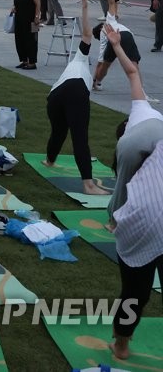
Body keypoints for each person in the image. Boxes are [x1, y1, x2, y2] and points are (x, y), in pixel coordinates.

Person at [43, 0, 110, 196]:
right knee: (80, 138)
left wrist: (84, 5)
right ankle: (89, 185)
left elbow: (86, 35)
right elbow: (88, 33)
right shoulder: (83, 63)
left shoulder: (78, 59)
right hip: (75, 91)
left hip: (54, 96)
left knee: (59, 131)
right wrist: (84, 6)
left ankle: (50, 160)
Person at [109, 124, 163, 360]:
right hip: (144, 223)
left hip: (143, 223)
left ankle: (121, 344)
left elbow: (118, 205)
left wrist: (115, 221)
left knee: (135, 292)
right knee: (136, 292)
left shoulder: (135, 150)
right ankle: (121, 342)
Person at [106, 23, 163, 228]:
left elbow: (131, 73)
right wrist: (117, 46)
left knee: (124, 183)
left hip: (141, 138)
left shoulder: (130, 134)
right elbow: (132, 72)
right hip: (160, 135)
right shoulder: (141, 107)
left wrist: (115, 46)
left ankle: (113, 222)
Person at [92, 0, 138, 91]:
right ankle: (141, 92)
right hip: (128, 35)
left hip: (122, 37)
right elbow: (112, 3)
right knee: (134, 66)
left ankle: (97, 83)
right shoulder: (109, 20)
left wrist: (93, 79)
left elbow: (100, 64)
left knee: (105, 66)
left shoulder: (104, 35)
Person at [11, 0, 40, 69]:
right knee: (19, 40)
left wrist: (37, 16)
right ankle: (24, 60)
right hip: (19, 19)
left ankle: (32, 62)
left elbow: (38, 5)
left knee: (30, 40)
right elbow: (16, 4)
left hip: (30, 20)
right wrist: (14, 9)